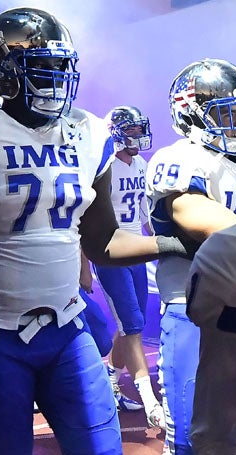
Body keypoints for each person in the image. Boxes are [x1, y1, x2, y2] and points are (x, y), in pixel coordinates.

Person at [0, 8, 194, 455]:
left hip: (66, 324)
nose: (58, 77)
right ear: (3, 68)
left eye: (63, 65)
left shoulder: (89, 131)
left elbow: (101, 241)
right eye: (44, 65)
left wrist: (174, 244)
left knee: (103, 449)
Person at [145, 58, 236, 454]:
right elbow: (211, 222)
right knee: (201, 442)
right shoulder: (180, 158)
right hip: (198, 311)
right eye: (231, 112)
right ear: (193, 116)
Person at [92, 106, 165, 428]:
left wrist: (159, 244)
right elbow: (86, 220)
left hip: (136, 250)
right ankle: (149, 399)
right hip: (111, 250)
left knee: (127, 324)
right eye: (131, 131)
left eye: (139, 130)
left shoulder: (141, 164)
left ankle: (110, 378)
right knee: (133, 323)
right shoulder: (105, 167)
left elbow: (146, 216)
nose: (137, 136)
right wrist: (84, 263)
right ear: (117, 132)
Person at [184, 216, 236, 455]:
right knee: (219, 438)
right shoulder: (230, 258)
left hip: (227, 271)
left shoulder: (226, 254)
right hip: (230, 278)